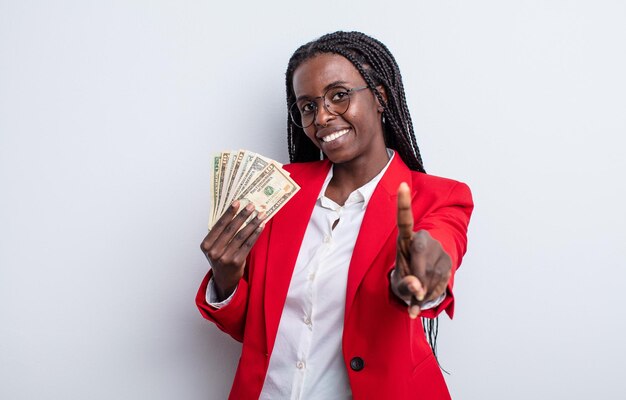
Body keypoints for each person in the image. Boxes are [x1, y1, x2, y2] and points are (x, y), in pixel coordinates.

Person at [197, 31, 473, 399]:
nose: (322, 117)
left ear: (380, 96)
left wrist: (421, 277)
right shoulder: (277, 189)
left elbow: (440, 245)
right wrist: (226, 279)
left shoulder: (438, 197)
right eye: (308, 106)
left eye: (339, 95)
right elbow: (258, 331)